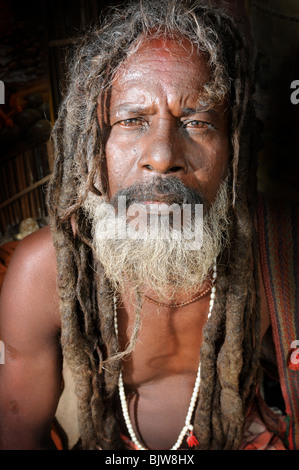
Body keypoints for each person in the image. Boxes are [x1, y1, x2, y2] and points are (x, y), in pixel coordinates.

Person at [0, 0, 298, 451]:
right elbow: (18, 431)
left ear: (232, 144)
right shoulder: (42, 272)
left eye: (197, 122)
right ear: (92, 143)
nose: (161, 156)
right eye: (131, 121)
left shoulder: (281, 245)